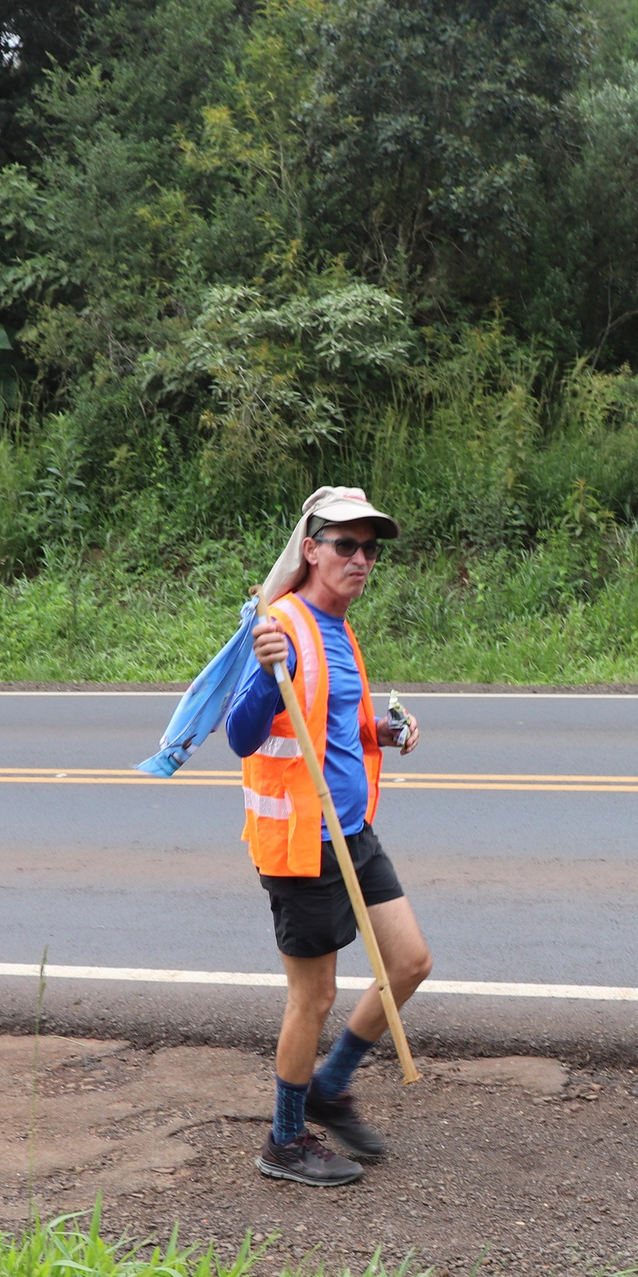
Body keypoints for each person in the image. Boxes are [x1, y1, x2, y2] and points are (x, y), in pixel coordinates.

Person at [222, 487, 432, 1187]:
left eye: (371, 548)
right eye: (346, 544)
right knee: (311, 998)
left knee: (409, 962)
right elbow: (243, 734)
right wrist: (263, 674)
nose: (361, 559)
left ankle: (330, 1085)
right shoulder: (281, 625)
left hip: (352, 834)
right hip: (301, 844)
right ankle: (284, 1140)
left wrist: (380, 728)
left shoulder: (338, 628)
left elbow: (329, 726)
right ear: (310, 549)